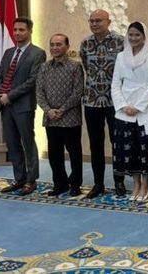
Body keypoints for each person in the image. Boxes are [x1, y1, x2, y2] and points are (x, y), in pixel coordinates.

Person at [111, 21, 148, 202]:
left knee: (146, 148)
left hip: (146, 109)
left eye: (137, 35)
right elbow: (116, 83)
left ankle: (145, 183)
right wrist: (123, 105)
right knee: (129, 148)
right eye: (131, 35)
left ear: (144, 36)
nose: (133, 38)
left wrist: (138, 106)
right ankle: (135, 183)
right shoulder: (121, 56)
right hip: (124, 109)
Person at [0, 16, 47, 196]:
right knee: (12, 144)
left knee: (27, 143)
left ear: (30, 31)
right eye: (15, 29)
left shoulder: (37, 53)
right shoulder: (9, 52)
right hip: (6, 106)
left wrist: (10, 95)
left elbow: (33, 80)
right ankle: (20, 179)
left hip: (23, 106)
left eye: (21, 30)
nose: (17, 33)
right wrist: (2, 94)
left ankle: (31, 181)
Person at [80, 9, 127, 198]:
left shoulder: (121, 42)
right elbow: (86, 67)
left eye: (98, 21)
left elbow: (126, 70)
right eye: (91, 21)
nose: (94, 24)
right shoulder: (85, 43)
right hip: (92, 101)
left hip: (115, 101)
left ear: (109, 22)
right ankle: (98, 183)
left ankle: (119, 182)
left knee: (118, 144)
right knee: (95, 144)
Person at [36, 33, 85, 197]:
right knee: (54, 155)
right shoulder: (44, 67)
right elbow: (39, 92)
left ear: (67, 46)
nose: (55, 48)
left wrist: (62, 110)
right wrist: (48, 110)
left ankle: (75, 184)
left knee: (75, 154)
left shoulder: (75, 67)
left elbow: (78, 92)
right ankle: (60, 184)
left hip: (70, 119)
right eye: (52, 44)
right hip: (50, 118)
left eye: (59, 44)